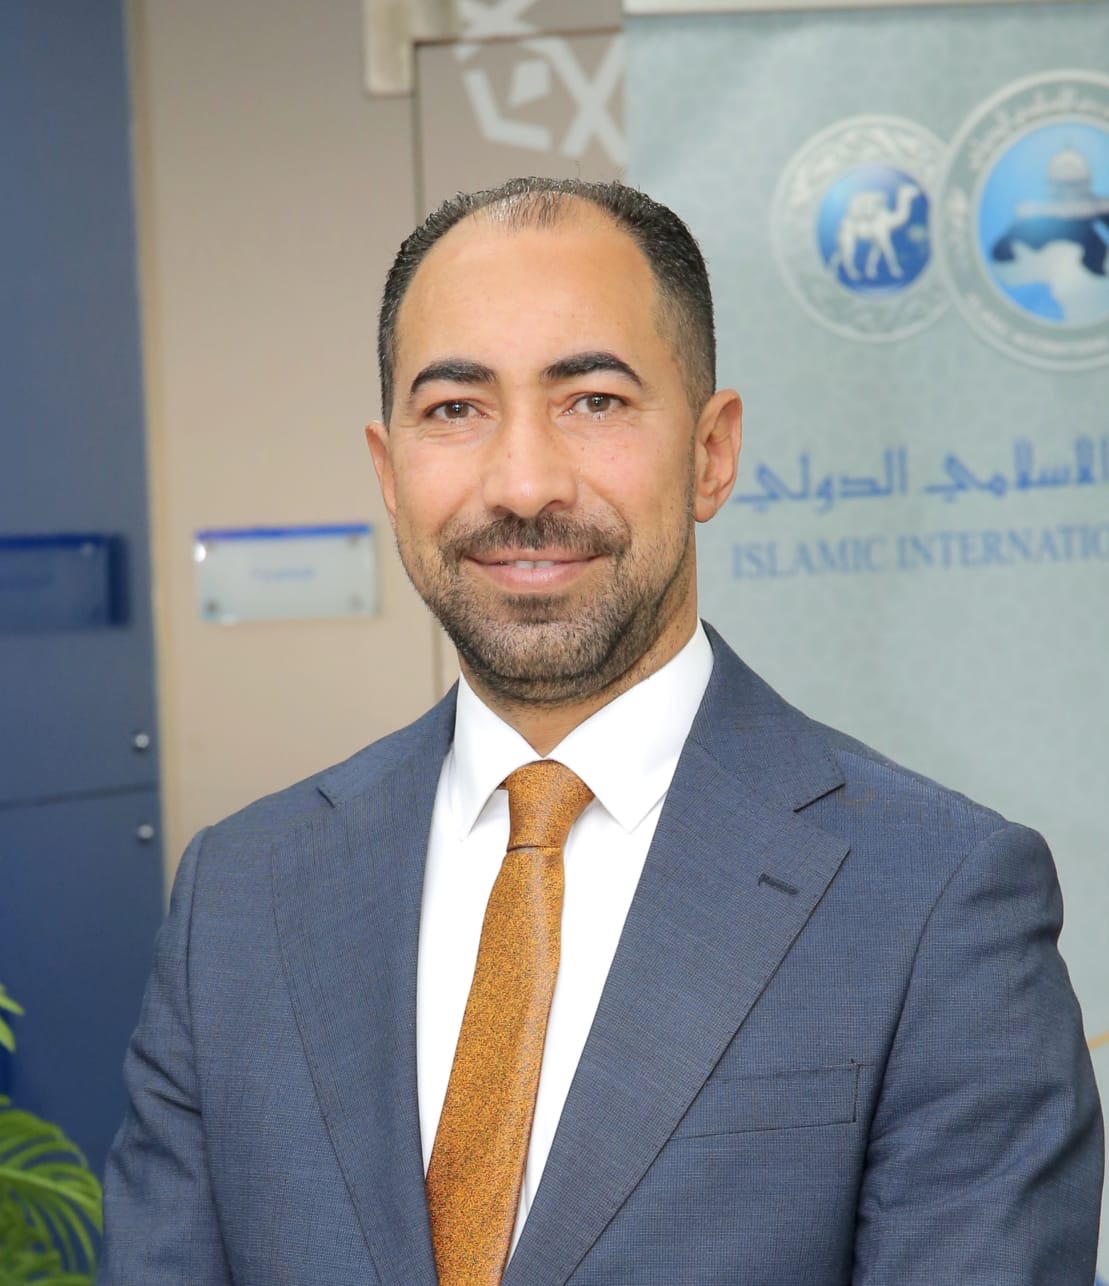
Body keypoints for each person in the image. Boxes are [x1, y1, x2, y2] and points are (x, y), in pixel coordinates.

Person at [99, 177, 1103, 1284]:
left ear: (711, 453)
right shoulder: (238, 897)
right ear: (388, 472)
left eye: (592, 400)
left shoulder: (935, 899)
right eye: (455, 409)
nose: (523, 483)